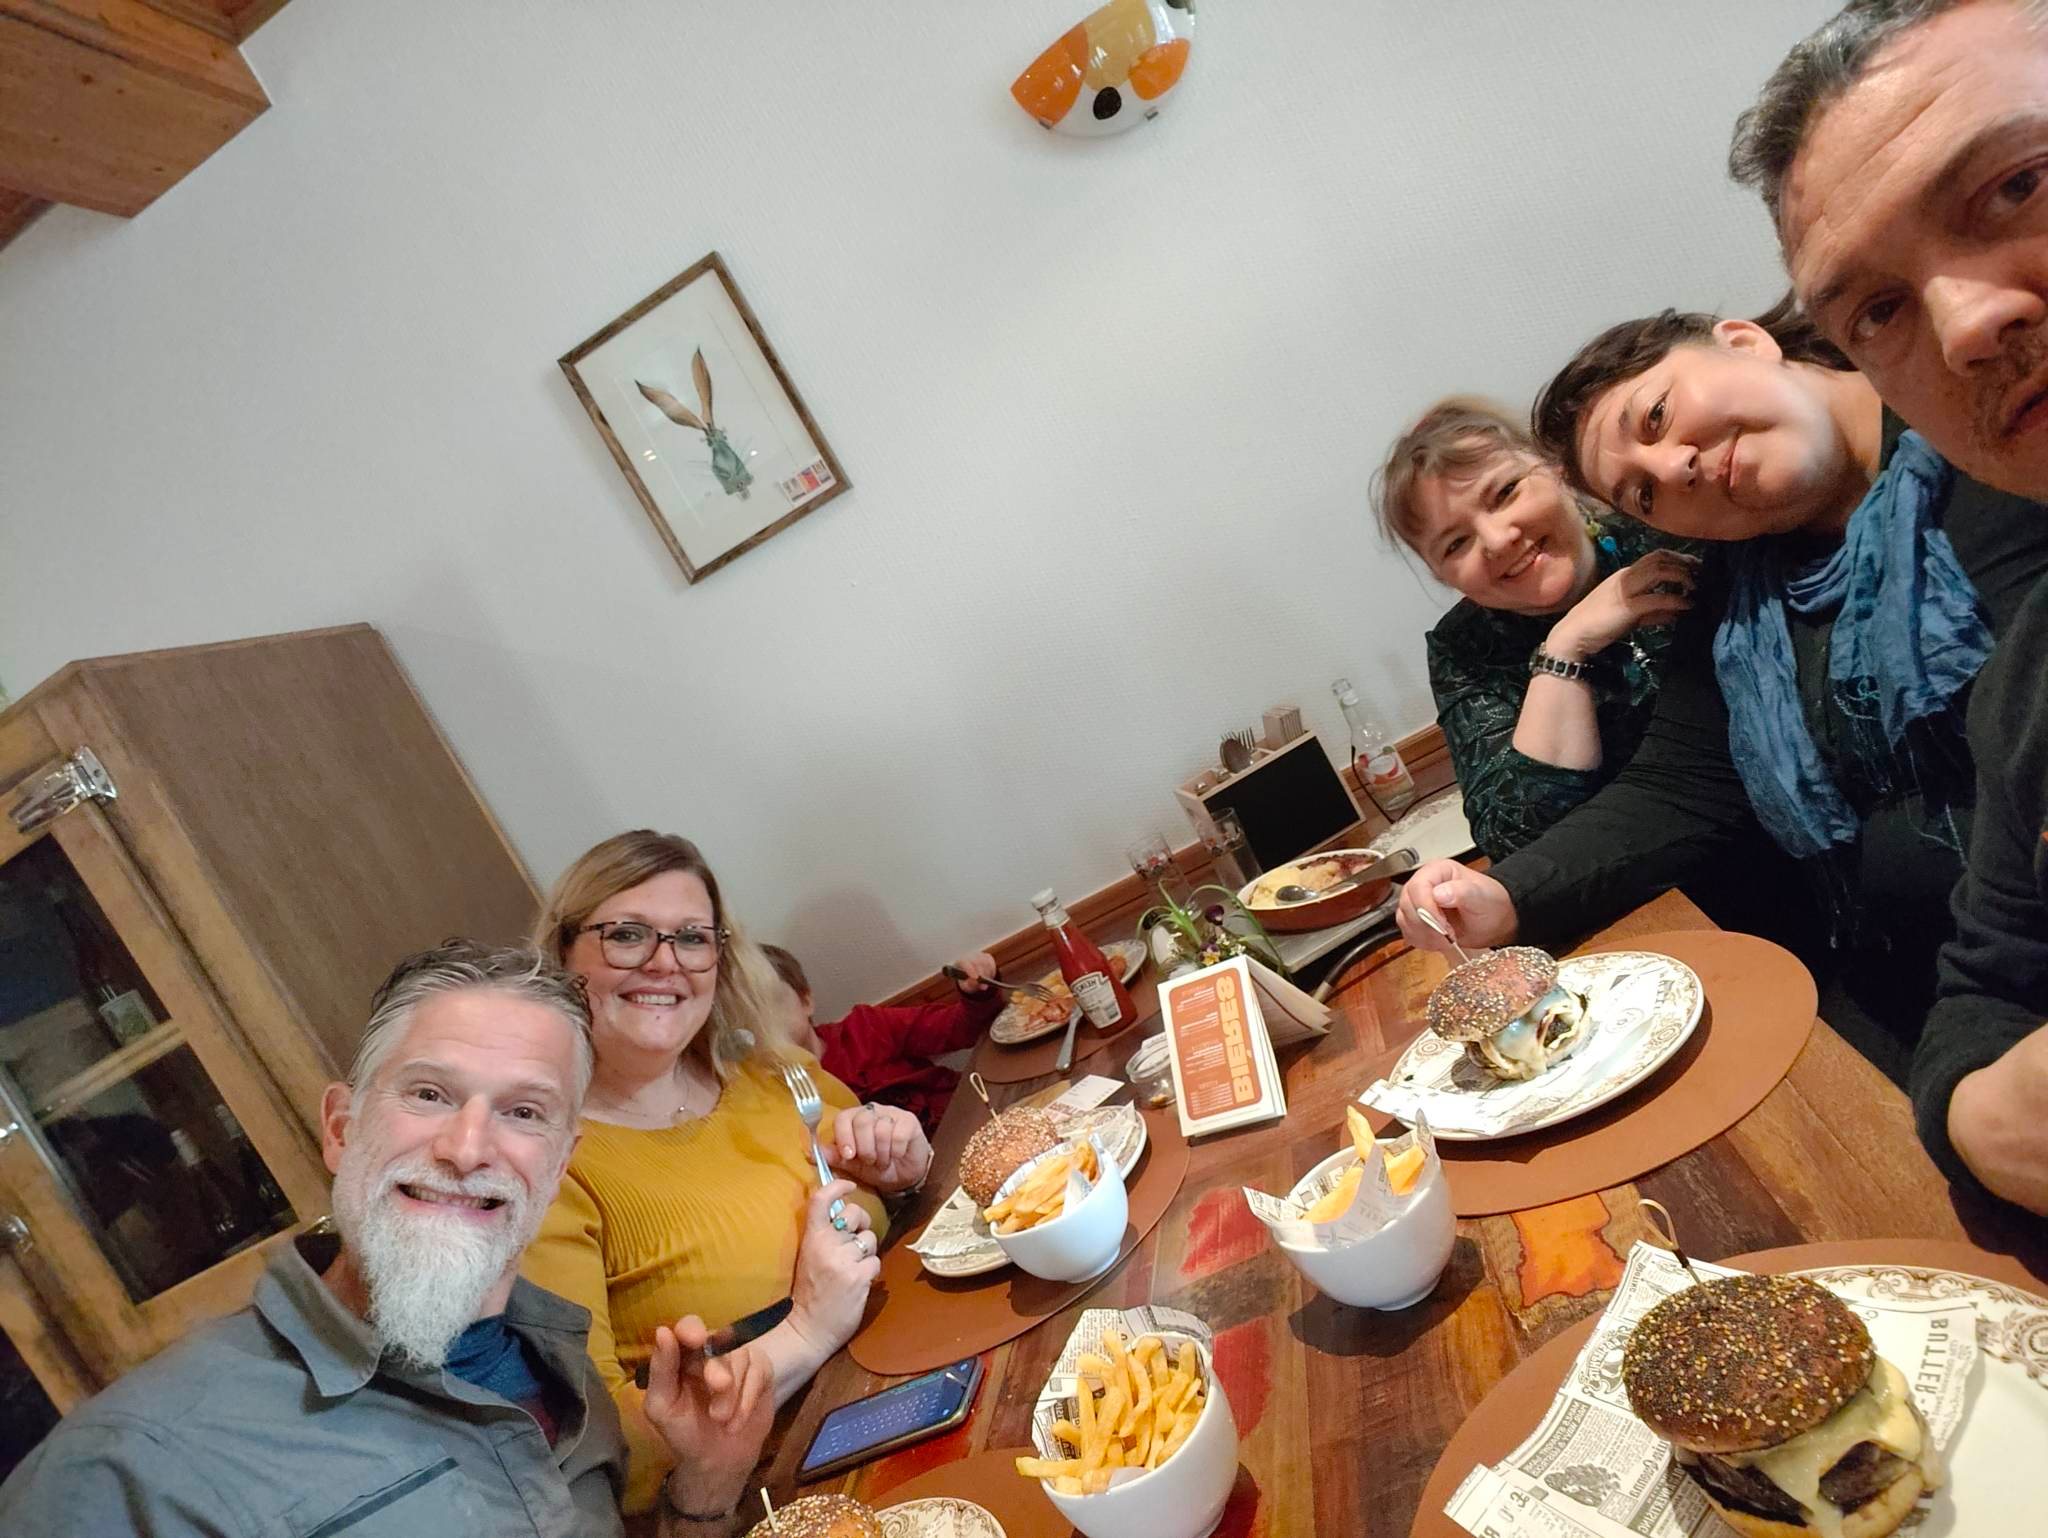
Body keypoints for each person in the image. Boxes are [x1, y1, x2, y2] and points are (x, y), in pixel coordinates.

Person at [1400, 292, 2048, 1077]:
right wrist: (1505, 897)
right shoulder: (1741, 576)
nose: (1673, 467)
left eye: (1657, 415)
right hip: (1885, 985)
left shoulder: (1993, 440)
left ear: (1743, 341)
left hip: (1979, 987)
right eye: (1644, 493)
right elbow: (1679, 784)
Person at [0, 939, 775, 1537]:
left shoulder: (563, 1371)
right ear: (341, 1129)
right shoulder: (125, 1472)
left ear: (561, 1164)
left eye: (524, 1112)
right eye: (430, 1093)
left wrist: (708, 1481)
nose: (467, 1148)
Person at [1726, 0, 2048, 1215]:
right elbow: (1978, 996)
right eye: (1876, 309)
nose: (1966, 324)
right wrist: (1984, 1111)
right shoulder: (2032, 676)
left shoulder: (1965, 531)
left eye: (2014, 184)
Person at [521, 830, 935, 1514]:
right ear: (564, 957)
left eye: (692, 937)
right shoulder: (547, 1170)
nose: (665, 963)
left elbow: (890, 1196)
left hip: (923, 1375)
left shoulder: (776, 1074)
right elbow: (606, 1451)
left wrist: (904, 1172)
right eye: (627, 935)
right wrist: (806, 1330)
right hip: (798, 1491)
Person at [1372, 397, 1701, 859]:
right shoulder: (1462, 647)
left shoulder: (1662, 523)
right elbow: (1513, 840)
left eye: (1505, 493)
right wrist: (1566, 646)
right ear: (1442, 577)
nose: (1497, 539)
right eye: (1456, 543)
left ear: (1555, 467)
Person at [759, 942, 1003, 1135]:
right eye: (747, 1019)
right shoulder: (773, 1101)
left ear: (805, 1001)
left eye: (771, 1002)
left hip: (971, 1115)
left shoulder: (864, 1028)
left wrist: (977, 991)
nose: (763, 1024)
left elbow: (961, 1028)